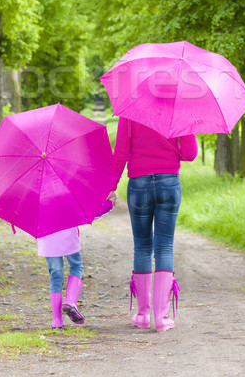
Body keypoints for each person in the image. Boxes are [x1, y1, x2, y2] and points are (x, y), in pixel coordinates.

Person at [113, 117, 198, 333]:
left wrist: (111, 187)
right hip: (168, 183)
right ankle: (161, 317)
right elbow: (189, 154)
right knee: (164, 246)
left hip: (138, 184)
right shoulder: (178, 110)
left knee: (142, 246)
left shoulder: (130, 112)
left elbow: (120, 153)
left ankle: (142, 315)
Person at [37, 196, 116, 329]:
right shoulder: (68, 192)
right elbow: (89, 213)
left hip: (47, 239)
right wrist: (108, 204)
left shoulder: (37, 195)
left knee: (56, 275)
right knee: (76, 266)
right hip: (68, 236)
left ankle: (57, 321)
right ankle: (70, 302)